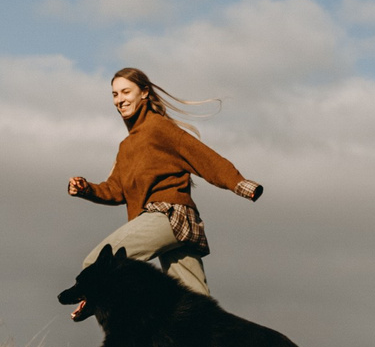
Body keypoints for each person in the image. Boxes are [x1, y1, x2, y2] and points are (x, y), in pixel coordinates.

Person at [66, 66, 263, 299]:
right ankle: (211, 335)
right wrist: (86, 189)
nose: (119, 100)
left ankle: (127, 331)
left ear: (145, 93)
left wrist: (240, 184)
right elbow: (116, 190)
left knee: (97, 265)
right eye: (115, 94)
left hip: (168, 214)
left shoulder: (160, 128)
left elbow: (204, 157)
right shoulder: (126, 147)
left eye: (126, 92)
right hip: (172, 226)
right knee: (195, 302)